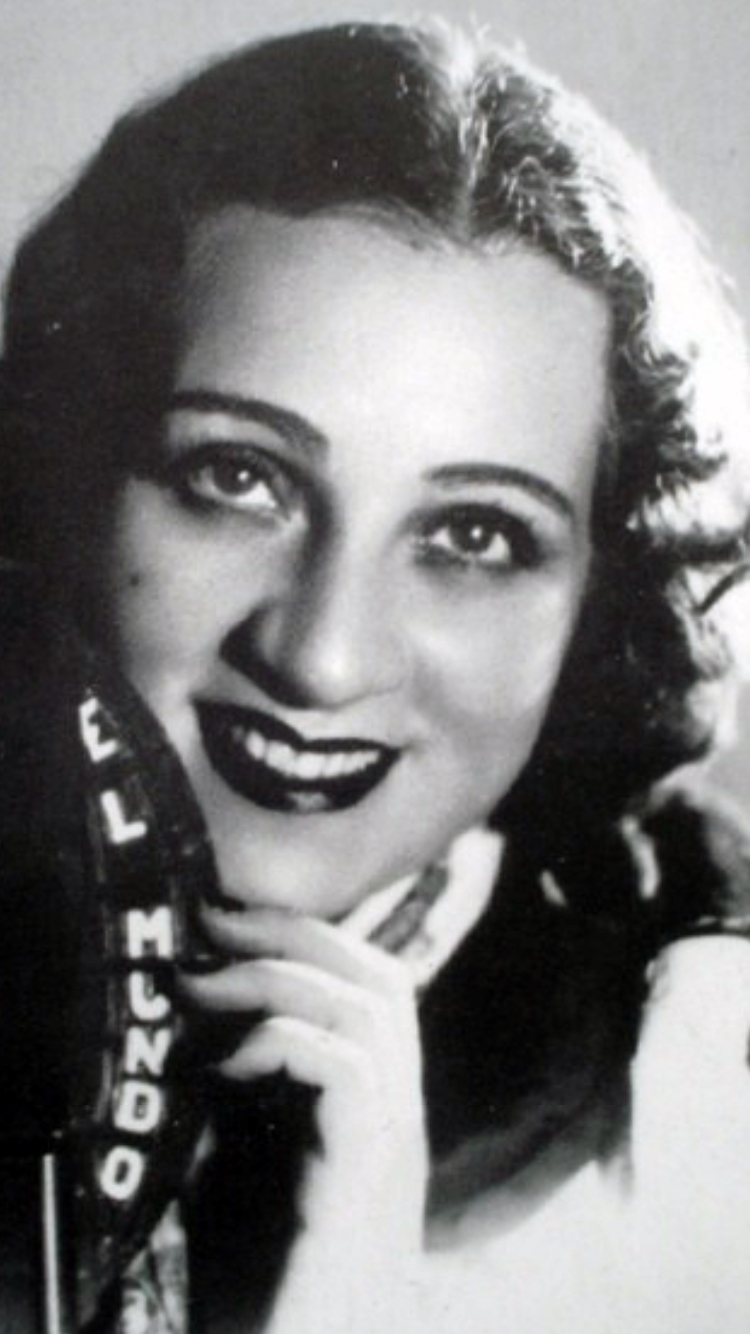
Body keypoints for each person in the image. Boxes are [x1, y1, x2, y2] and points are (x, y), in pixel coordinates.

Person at [1, 19, 750, 1334]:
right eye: (236, 476)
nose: (321, 657)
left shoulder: (697, 1104)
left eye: (474, 535)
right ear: (72, 476)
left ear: (601, 599)